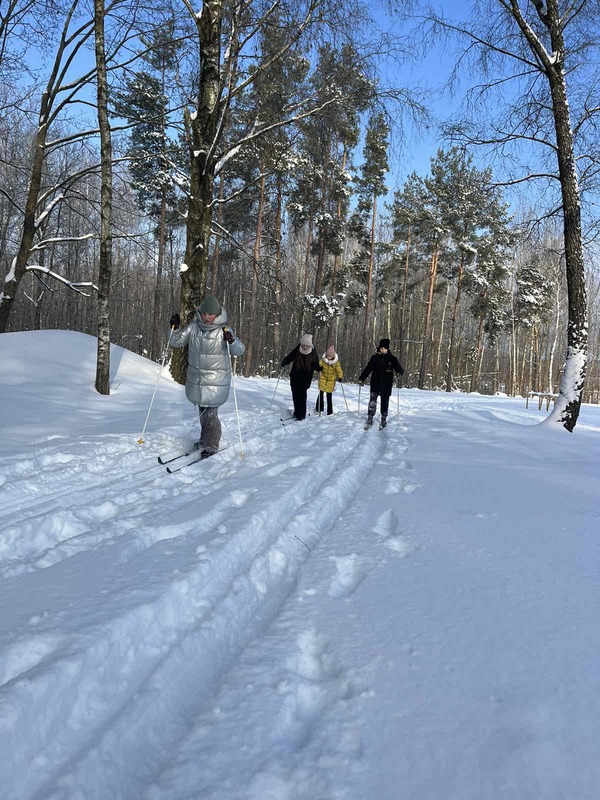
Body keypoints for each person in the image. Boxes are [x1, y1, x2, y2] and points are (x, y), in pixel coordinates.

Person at [169, 294, 245, 457]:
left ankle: (211, 445)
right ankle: (205, 440)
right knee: (203, 411)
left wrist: (231, 341)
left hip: (216, 380)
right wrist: (174, 328)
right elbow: (176, 342)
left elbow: (239, 351)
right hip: (197, 378)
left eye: (210, 314)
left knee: (211, 414)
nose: (206, 317)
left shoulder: (224, 331)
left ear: (217, 315)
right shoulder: (194, 327)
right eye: (204, 313)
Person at [359, 338, 404, 428]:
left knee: (385, 402)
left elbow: (398, 368)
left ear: (388, 349)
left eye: (385, 348)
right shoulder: (374, 358)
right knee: (372, 401)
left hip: (386, 385)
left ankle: (384, 417)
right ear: (379, 348)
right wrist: (362, 378)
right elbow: (368, 369)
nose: (383, 350)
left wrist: (400, 372)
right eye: (382, 348)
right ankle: (370, 416)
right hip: (375, 383)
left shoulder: (392, 359)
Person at [280, 333, 321, 420]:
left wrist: (319, 368)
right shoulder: (298, 349)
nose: (305, 347)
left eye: (307, 345)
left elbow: (315, 364)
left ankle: (301, 414)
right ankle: (296, 412)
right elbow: (290, 357)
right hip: (295, 376)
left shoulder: (312, 352)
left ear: (310, 345)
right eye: (303, 345)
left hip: (305, 378)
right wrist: (284, 362)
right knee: (295, 395)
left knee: (302, 396)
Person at [316, 344, 343, 415]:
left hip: (331, 381)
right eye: (328, 356)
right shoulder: (323, 360)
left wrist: (340, 376)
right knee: (320, 394)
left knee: (329, 396)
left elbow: (339, 370)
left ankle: (329, 411)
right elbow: (318, 365)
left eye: (330, 356)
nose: (329, 357)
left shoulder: (336, 362)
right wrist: (319, 368)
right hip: (323, 379)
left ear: (333, 356)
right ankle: (318, 408)